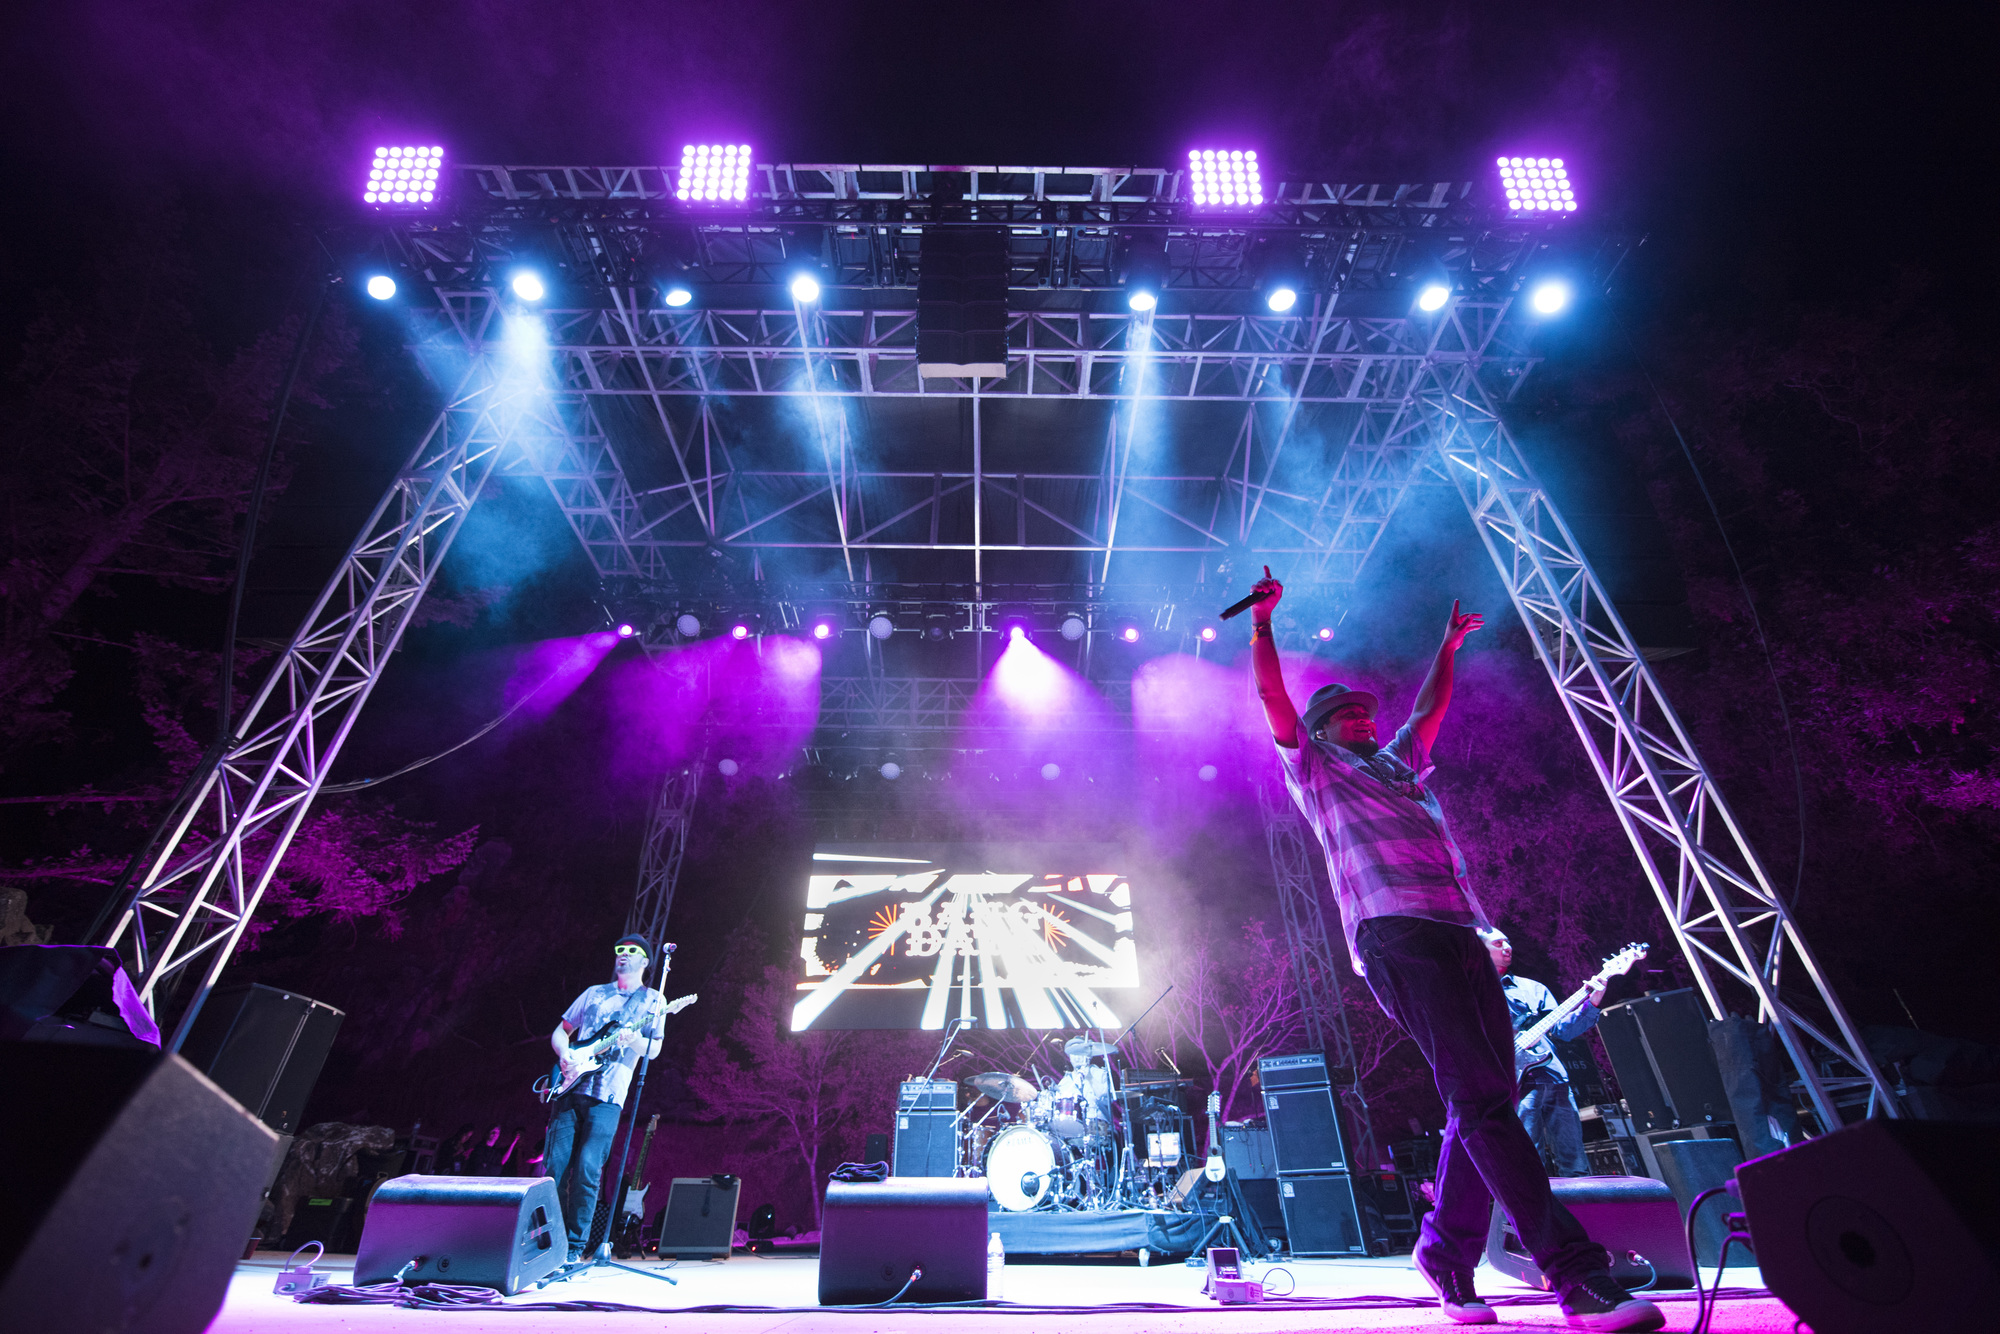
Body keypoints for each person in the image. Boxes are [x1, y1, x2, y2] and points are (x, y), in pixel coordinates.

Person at [1248, 573, 1661, 1332]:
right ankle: (1573, 1275)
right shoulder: (1316, 769)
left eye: (1368, 713)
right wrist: (1265, 629)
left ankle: (1445, 1253)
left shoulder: (1401, 767)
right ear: (1323, 728)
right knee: (1481, 1097)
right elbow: (1274, 704)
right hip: (1395, 936)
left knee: (1485, 1100)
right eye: (1348, 717)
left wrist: (1446, 647)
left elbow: (1430, 709)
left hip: (1462, 934)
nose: (1365, 723)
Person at [544, 934, 676, 1262]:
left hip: (609, 1095)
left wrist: (632, 1041)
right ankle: (548, 1242)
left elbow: (654, 1049)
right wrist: (564, 1054)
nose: (623, 955)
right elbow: (562, 1030)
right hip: (572, 1087)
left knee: (589, 1167)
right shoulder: (594, 994)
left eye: (632, 951)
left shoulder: (653, 1001)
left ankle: (575, 1248)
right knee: (554, 1169)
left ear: (645, 961)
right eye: (620, 949)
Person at [1482, 929, 1602, 1177]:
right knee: (1529, 1164)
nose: (1507, 946)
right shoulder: (1475, 993)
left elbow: (1564, 1030)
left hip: (1554, 1077)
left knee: (1575, 1162)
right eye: (1498, 942)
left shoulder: (1533, 989)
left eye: (1508, 940)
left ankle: (1582, 1213)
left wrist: (1593, 1001)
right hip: (1515, 1085)